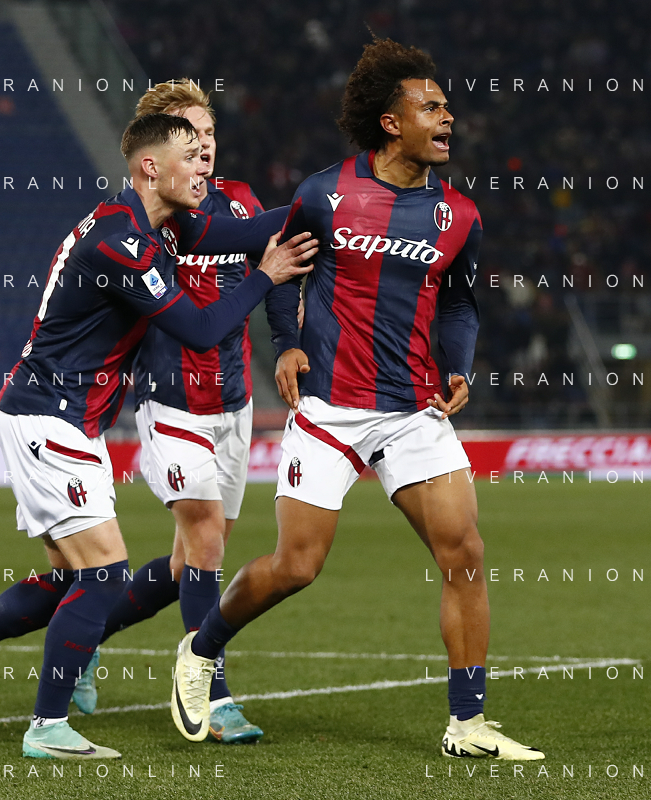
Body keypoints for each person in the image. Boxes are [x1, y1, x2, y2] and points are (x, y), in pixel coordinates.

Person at [169, 39, 545, 761]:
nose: (447, 116)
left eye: (446, 106)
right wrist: (288, 344)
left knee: (465, 553)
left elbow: (459, 304)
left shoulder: (458, 215)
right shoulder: (324, 193)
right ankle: (202, 648)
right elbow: (278, 264)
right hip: (331, 409)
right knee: (296, 566)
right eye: (430, 106)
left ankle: (467, 724)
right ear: (390, 122)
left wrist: (458, 366)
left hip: (413, 412)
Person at [0, 113, 317, 760]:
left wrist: (331, 203)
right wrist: (264, 277)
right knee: (104, 573)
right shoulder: (121, 243)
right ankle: (47, 727)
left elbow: (244, 230)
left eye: (206, 148)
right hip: (49, 413)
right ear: (151, 168)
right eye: (189, 154)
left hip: (68, 416)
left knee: (70, 579)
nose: (203, 165)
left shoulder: (157, 223)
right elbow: (200, 329)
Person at [72, 79, 267, 744]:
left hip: (233, 403)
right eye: (189, 136)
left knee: (192, 564)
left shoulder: (240, 203)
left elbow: (276, 272)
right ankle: (211, 692)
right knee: (206, 538)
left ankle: (85, 636)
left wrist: (291, 342)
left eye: (209, 133)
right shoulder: (149, 220)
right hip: (171, 399)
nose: (203, 146)